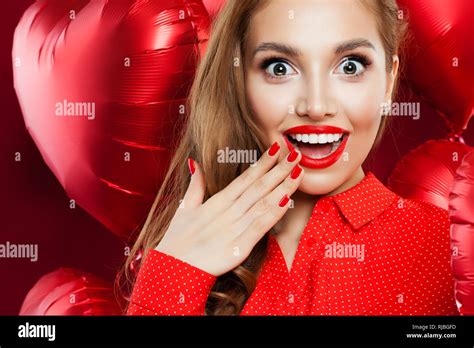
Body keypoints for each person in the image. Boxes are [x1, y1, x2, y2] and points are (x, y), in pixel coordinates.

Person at [122, 0, 457, 315]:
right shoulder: (184, 249)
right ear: (240, 80)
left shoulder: (447, 252)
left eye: (350, 66)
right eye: (279, 67)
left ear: (389, 80)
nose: (315, 106)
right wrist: (172, 276)